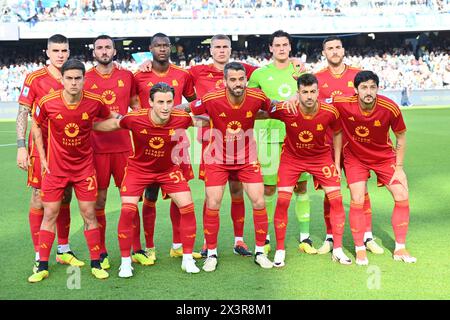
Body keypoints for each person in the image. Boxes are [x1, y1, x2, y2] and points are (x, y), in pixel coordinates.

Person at [183, 62, 285, 271]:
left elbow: (274, 106)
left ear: (245, 80)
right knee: (213, 203)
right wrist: (157, 111)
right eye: (233, 80)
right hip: (217, 159)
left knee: (258, 201)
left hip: (247, 159)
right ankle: (211, 253)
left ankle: (259, 252)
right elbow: (187, 108)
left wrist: (292, 103)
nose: (238, 83)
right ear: (225, 81)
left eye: (241, 79)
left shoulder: (257, 96)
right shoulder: (212, 98)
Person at [93, 82, 201, 277]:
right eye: (160, 102)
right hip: (138, 170)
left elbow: (205, 121)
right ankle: (126, 262)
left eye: (169, 102)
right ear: (150, 102)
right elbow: (113, 124)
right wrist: (88, 126)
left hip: (168, 170)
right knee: (128, 210)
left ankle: (187, 258)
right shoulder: (135, 118)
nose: (166, 107)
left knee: (188, 207)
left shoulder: (182, 118)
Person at [28, 59, 114, 283]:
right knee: (50, 214)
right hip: (56, 169)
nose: (74, 82)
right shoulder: (47, 102)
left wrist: (120, 123)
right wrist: (43, 157)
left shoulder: (95, 102)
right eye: (69, 78)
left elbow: (109, 120)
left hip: (84, 169)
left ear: (84, 79)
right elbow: (36, 124)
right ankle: (42, 265)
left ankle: (96, 263)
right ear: (62, 80)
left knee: (89, 214)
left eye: (78, 78)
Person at [266, 73, 351, 266]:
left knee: (336, 201)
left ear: (318, 91)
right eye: (304, 92)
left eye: (313, 91)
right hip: (291, 160)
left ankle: (337, 249)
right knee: (282, 202)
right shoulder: (287, 108)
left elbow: (338, 132)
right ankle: (279, 250)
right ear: (298, 93)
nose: (309, 96)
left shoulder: (330, 111)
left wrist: (336, 162)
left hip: (320, 159)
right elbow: (262, 107)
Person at [334, 70, 416, 265]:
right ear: (356, 90)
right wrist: (337, 163)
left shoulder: (390, 108)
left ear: (378, 88)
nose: (368, 92)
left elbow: (401, 136)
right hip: (355, 158)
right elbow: (320, 104)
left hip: (383, 157)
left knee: (402, 196)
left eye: (372, 87)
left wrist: (399, 167)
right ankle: (360, 248)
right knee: (357, 198)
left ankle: (400, 248)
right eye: (363, 88)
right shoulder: (343, 103)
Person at [17, 34, 81, 273]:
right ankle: (39, 253)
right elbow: (23, 113)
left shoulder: (74, 75)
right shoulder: (34, 78)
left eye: (64, 50)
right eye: (56, 51)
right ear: (47, 52)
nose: (61, 55)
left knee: (65, 196)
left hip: (69, 148)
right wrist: (21, 146)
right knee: (38, 198)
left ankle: (63, 249)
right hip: (41, 148)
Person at [314, 36, 383, 255]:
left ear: (343, 50)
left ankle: (367, 236)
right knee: (330, 192)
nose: (334, 51)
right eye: (329, 49)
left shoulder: (358, 75)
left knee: (361, 192)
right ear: (324, 53)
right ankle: (330, 237)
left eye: (337, 48)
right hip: (327, 144)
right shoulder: (317, 78)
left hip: (356, 144)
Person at [248, 30, 314, 255]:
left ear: (290, 47)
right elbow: (250, 104)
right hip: (266, 136)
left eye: (285, 45)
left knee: (301, 186)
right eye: (277, 45)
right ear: (270, 48)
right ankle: (264, 237)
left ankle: (305, 237)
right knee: (268, 188)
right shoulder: (259, 74)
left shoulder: (300, 71)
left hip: (296, 136)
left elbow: (311, 96)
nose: (282, 48)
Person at [134, 33, 199, 262]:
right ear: (150, 48)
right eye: (158, 45)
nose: (162, 49)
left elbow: (194, 102)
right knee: (150, 195)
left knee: (177, 194)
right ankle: (149, 246)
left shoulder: (183, 74)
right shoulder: (139, 75)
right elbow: (132, 105)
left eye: (166, 45)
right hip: (150, 144)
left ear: (171, 48)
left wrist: (181, 110)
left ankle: (178, 244)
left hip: (177, 143)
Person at [84, 34, 140, 270]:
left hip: (124, 148)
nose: (104, 51)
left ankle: (136, 249)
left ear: (115, 51)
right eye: (100, 48)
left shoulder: (127, 76)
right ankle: (102, 251)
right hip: (96, 149)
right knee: (100, 200)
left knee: (131, 200)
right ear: (94, 52)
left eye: (108, 47)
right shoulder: (84, 79)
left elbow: (136, 107)